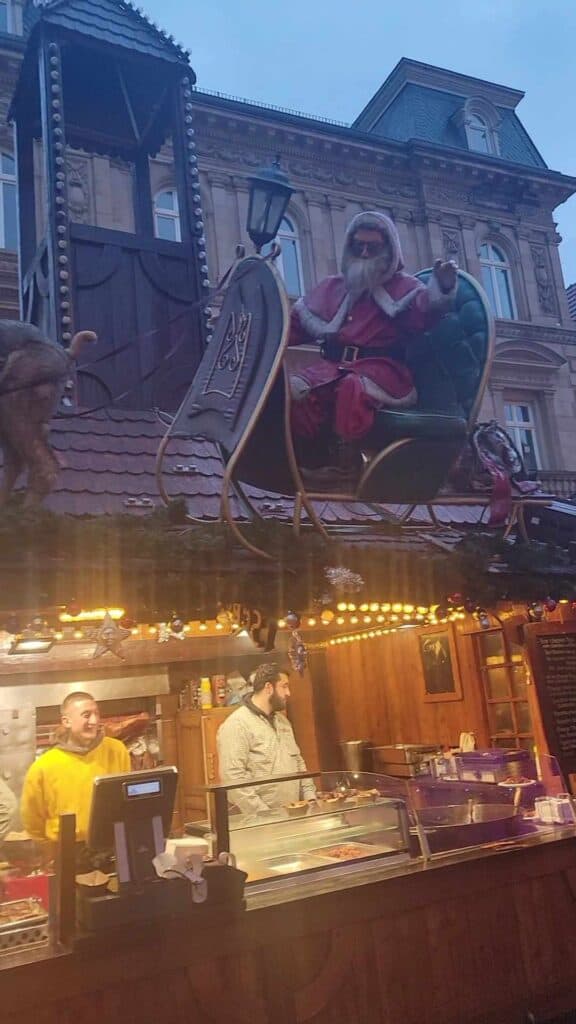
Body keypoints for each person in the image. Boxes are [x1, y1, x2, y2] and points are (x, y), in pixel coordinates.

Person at [289, 210, 458, 478]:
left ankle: (345, 465)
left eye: (373, 246)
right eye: (359, 246)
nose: (365, 253)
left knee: (352, 388)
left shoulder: (405, 287)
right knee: (298, 388)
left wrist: (443, 289)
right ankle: (308, 458)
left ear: (388, 249)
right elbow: (294, 325)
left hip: (382, 370)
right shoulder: (334, 287)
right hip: (334, 365)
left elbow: (424, 314)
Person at [20, 691, 131, 842]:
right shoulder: (43, 767)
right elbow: (32, 823)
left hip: (112, 844)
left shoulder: (117, 750)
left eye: (96, 714)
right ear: (66, 722)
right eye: (86, 715)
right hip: (64, 850)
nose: (93, 721)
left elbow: (127, 800)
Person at [217, 662, 316, 816]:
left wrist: (311, 800)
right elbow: (233, 780)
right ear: (269, 688)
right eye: (284, 686)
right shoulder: (237, 725)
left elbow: (299, 764)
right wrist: (265, 815)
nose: (288, 693)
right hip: (257, 825)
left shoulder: (283, 722)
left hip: (291, 816)